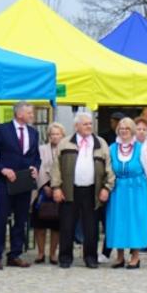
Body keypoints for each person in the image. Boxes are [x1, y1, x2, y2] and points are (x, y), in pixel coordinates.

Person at [0, 102, 41, 268]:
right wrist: (2, 169)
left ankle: (15, 254)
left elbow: (36, 157)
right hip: (5, 181)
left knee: (21, 219)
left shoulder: (33, 132)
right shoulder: (3, 130)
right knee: (1, 218)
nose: (32, 115)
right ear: (19, 114)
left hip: (24, 181)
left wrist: (35, 168)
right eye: (30, 112)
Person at [54, 111, 109, 269]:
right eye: (85, 124)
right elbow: (56, 168)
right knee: (67, 225)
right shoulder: (65, 143)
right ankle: (65, 257)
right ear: (76, 126)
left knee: (91, 226)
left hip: (92, 190)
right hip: (69, 189)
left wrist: (106, 187)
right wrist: (56, 187)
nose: (89, 126)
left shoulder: (101, 143)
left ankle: (90, 257)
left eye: (90, 124)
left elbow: (108, 167)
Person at [103, 117, 147, 269]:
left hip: (136, 189)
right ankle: (119, 256)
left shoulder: (140, 148)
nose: (124, 131)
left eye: (127, 128)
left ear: (132, 130)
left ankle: (135, 256)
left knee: (135, 221)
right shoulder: (112, 148)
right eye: (121, 128)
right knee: (118, 221)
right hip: (118, 189)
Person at [34, 121, 65, 264]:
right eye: (52, 134)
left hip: (59, 190)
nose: (55, 136)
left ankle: (53, 253)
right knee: (40, 224)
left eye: (57, 134)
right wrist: (44, 186)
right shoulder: (41, 149)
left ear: (62, 135)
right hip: (43, 189)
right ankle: (40, 253)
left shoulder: (66, 149)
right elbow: (37, 167)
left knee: (56, 225)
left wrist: (56, 187)